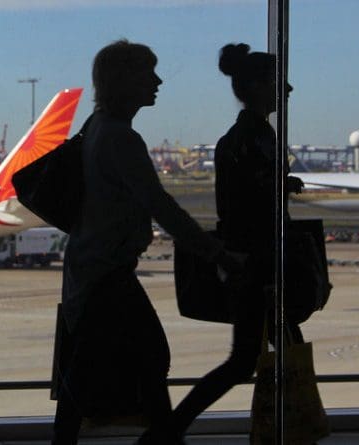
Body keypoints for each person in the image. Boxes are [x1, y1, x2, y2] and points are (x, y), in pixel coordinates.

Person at [52, 39, 242, 445]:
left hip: (93, 268)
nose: (157, 82)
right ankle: (161, 438)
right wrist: (216, 253)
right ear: (123, 80)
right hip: (107, 272)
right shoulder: (120, 138)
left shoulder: (98, 128)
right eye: (147, 73)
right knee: (145, 357)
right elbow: (162, 207)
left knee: (102, 364)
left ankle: (157, 437)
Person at [139, 43, 305, 442]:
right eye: (277, 81)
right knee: (257, 358)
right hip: (257, 263)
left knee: (256, 358)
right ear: (256, 87)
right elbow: (249, 205)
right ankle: (169, 432)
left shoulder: (247, 136)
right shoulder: (253, 137)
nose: (288, 89)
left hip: (252, 261)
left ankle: (171, 431)